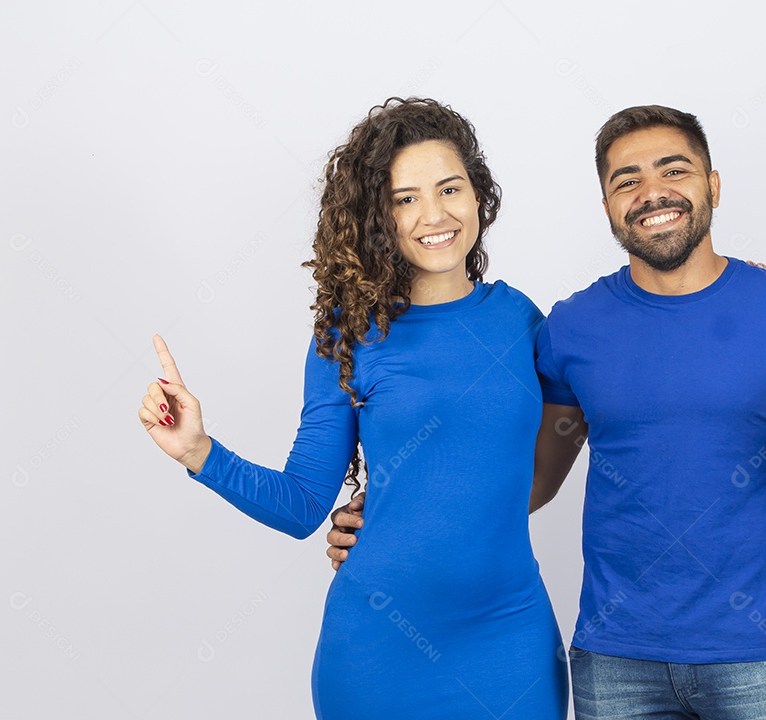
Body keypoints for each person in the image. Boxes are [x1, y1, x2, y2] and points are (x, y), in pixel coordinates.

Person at [328, 104, 766, 719]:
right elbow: (527, 483)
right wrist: (394, 516)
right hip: (615, 662)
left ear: (712, 185)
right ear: (607, 205)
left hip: (758, 654)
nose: (651, 192)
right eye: (626, 180)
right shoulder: (572, 329)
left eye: (674, 170)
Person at [137, 97, 568, 718]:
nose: (434, 214)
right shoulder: (347, 335)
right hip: (376, 652)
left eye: (450, 188)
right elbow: (302, 506)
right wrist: (199, 452)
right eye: (404, 198)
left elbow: (583, 415)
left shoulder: (522, 320)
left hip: (510, 641)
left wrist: (733, 286)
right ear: (378, 215)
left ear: (479, 196)